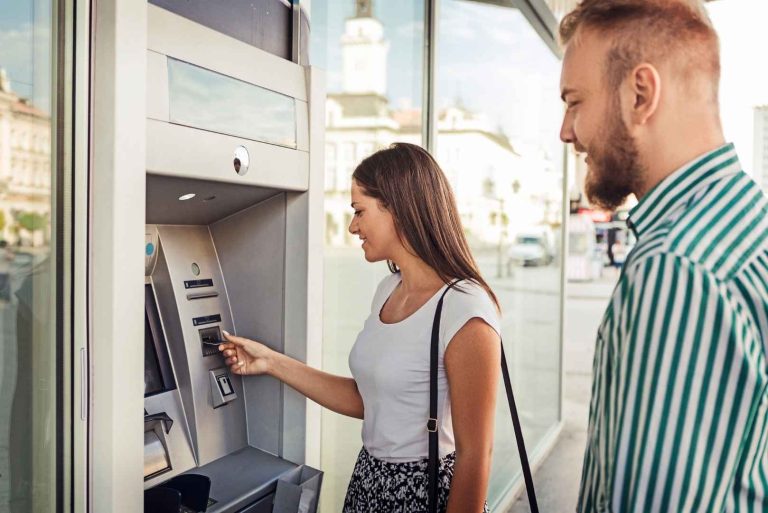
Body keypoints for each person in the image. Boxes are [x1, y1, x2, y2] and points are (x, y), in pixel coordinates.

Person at [558, 1, 768, 511]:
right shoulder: (746, 220)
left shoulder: (678, 268)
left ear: (640, 94)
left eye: (575, 101)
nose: (566, 131)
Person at [218, 143, 501, 513]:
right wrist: (270, 362)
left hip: (422, 492)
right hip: (369, 480)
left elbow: (476, 455)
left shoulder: (465, 308)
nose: (353, 226)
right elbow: (369, 400)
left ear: (397, 209)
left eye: (359, 211)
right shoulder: (388, 290)